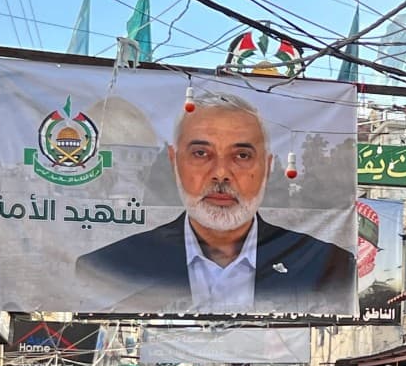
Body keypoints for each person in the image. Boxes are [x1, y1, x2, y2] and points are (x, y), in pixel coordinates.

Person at [74, 91, 356, 314]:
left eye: (242, 156)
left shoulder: (328, 267)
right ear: (174, 163)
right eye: (200, 153)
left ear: (268, 168)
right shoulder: (108, 267)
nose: (221, 173)